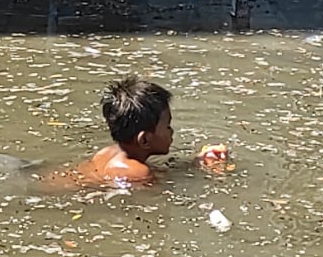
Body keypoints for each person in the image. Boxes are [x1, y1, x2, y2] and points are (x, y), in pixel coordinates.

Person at [75, 77, 226, 187]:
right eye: (167, 126)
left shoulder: (108, 152)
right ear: (145, 141)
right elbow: (162, 193)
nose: (171, 131)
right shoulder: (136, 172)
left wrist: (194, 163)